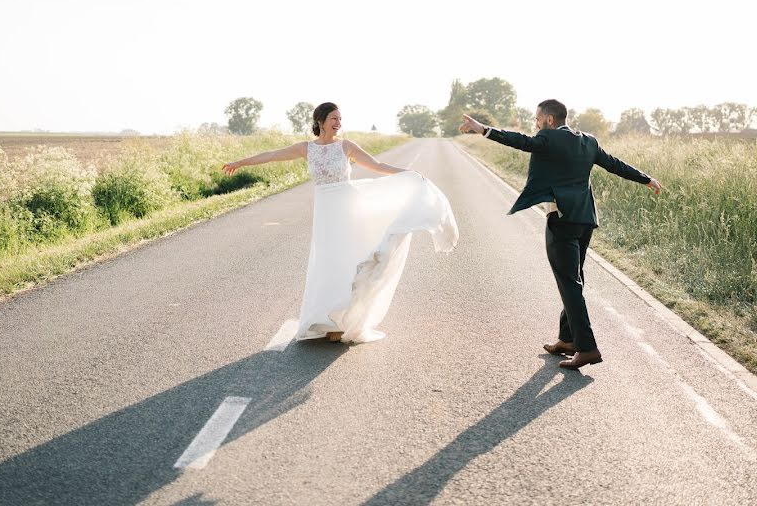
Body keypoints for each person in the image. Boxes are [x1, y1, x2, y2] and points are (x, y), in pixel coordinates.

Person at [223, 102, 458, 343]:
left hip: (348, 209)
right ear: (321, 121)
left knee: (347, 261)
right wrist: (240, 163)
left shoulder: (346, 146)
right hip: (325, 213)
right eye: (334, 118)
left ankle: (341, 321)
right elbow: (272, 155)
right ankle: (326, 319)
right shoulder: (306, 148)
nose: (338, 123)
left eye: (340, 119)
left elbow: (377, 166)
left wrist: (409, 174)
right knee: (326, 264)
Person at [459, 99, 661, 370]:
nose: (536, 124)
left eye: (537, 119)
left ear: (550, 121)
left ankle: (587, 348)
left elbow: (519, 141)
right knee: (574, 279)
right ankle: (567, 340)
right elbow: (614, 164)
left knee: (569, 283)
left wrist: (483, 129)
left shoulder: (549, 139)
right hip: (586, 220)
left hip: (562, 220)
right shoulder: (588, 141)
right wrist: (645, 178)